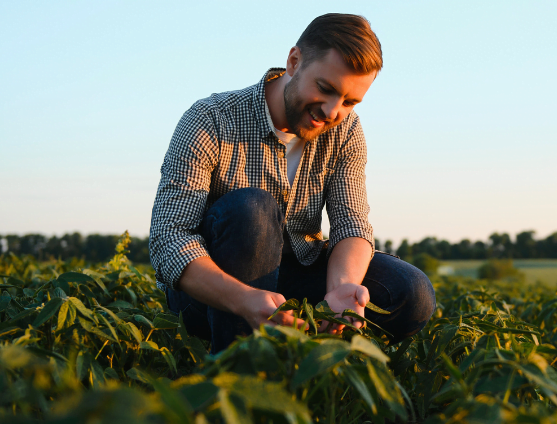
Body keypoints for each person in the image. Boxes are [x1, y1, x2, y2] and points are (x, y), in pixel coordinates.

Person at [149, 13, 435, 353]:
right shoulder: (211, 119)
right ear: (294, 62)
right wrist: (242, 299)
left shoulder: (346, 131)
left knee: (410, 291)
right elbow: (169, 237)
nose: (332, 111)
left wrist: (341, 288)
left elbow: (352, 223)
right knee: (252, 209)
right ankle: (238, 367)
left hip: (297, 273)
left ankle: (318, 351)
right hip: (215, 291)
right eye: (326, 89)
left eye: (349, 102)